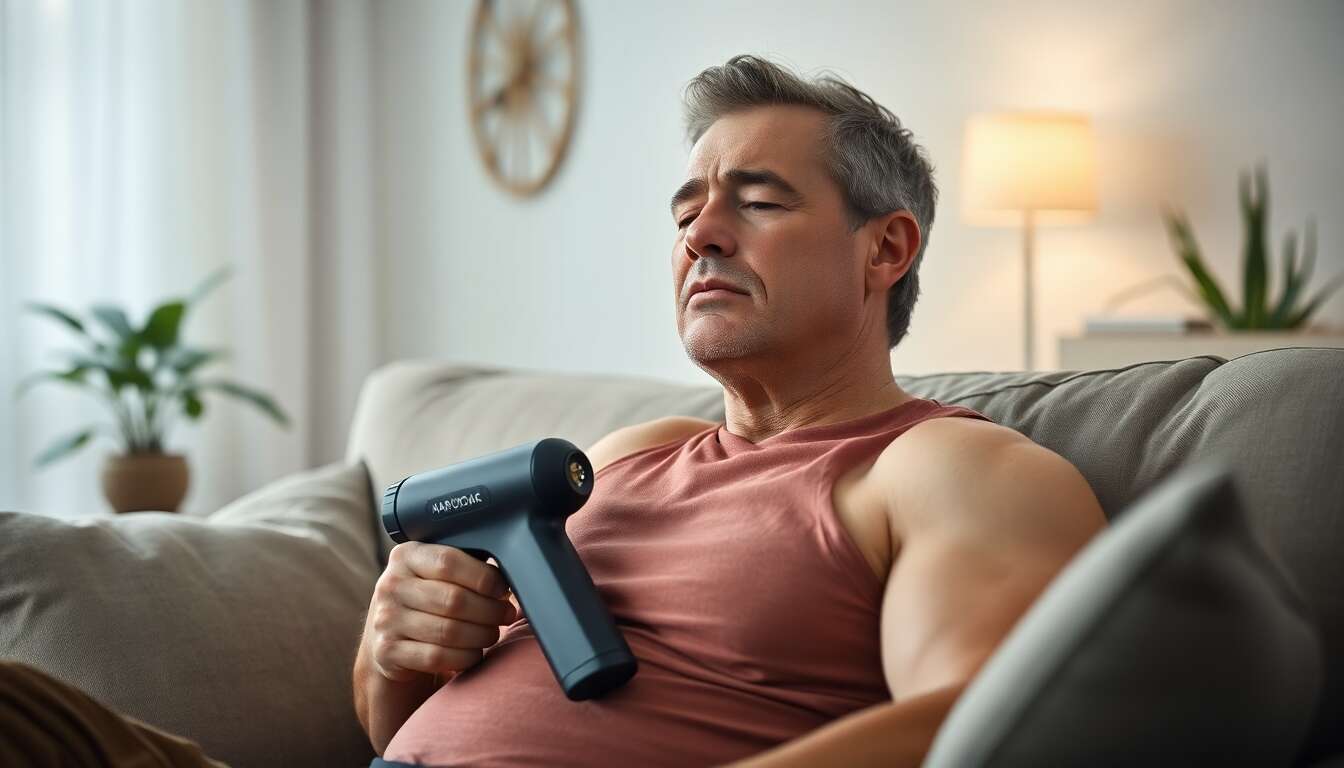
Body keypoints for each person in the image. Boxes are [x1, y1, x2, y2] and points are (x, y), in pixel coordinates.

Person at [355, 55, 1107, 768]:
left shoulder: (944, 468)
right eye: (686, 214)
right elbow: (409, 729)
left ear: (885, 250)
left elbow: (995, 724)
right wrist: (391, 654)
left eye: (759, 202)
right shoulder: (624, 455)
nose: (701, 235)